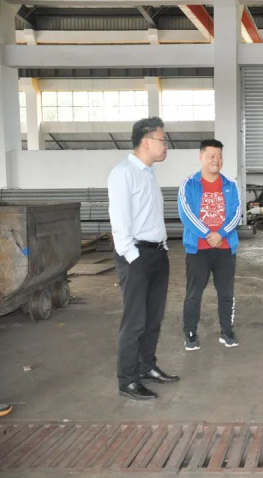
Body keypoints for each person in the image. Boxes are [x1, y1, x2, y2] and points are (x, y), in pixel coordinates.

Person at [108, 116, 179, 401]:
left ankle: (146, 366)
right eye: (163, 140)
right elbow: (120, 222)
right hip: (136, 256)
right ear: (146, 141)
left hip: (157, 254)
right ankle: (128, 380)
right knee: (135, 321)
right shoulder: (123, 173)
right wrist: (134, 257)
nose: (166, 146)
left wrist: (162, 248)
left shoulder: (148, 173)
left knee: (153, 318)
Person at [178, 139, 242, 351]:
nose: (216, 160)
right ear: (201, 157)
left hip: (225, 249)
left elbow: (236, 214)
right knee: (194, 294)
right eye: (212, 156)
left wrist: (221, 234)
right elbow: (186, 214)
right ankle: (190, 333)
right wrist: (208, 234)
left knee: (226, 293)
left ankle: (226, 331)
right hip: (199, 250)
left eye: (220, 156)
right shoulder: (189, 185)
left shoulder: (230, 186)